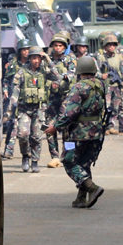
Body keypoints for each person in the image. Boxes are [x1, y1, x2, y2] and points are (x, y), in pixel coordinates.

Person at [45, 56, 106, 208]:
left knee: (69, 161)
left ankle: (92, 188)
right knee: (84, 163)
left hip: (76, 136)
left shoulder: (79, 87)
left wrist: (55, 127)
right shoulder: (100, 85)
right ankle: (81, 198)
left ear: (80, 71)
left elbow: (70, 113)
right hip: (96, 133)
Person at [7, 46, 60, 172]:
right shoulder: (21, 72)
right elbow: (15, 91)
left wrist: (48, 59)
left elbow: (58, 77)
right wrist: (10, 109)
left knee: (37, 136)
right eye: (34, 58)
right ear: (29, 58)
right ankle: (25, 156)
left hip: (40, 109)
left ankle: (35, 161)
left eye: (38, 58)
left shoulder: (44, 71)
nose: (36, 61)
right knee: (23, 134)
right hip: (24, 109)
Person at [43, 34, 77, 168]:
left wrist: (58, 78)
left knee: (68, 129)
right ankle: (55, 157)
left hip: (66, 98)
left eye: (60, 46)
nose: (57, 48)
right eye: (55, 45)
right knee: (48, 127)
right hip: (51, 99)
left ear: (64, 47)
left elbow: (70, 75)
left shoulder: (70, 59)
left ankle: (68, 155)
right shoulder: (47, 59)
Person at [98, 34, 123, 134]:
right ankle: (105, 126)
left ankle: (113, 126)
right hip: (106, 86)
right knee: (106, 107)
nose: (111, 47)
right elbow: (96, 71)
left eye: (113, 45)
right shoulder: (101, 58)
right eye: (109, 45)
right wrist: (102, 76)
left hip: (117, 85)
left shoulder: (119, 57)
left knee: (117, 107)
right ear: (105, 46)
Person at [1, 39, 31, 159]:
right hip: (14, 98)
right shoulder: (13, 64)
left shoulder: (33, 63)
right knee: (12, 123)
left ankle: (28, 151)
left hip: (28, 99)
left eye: (28, 49)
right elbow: (6, 79)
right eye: (24, 50)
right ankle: (9, 150)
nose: (26, 52)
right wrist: (5, 90)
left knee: (27, 127)